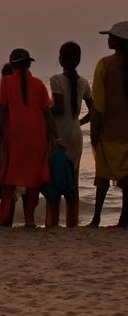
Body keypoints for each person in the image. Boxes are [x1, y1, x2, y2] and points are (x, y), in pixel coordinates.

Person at [0, 49, 60, 228]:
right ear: (29, 64)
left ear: (12, 65)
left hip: (14, 139)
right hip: (36, 139)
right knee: (33, 181)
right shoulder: (39, 84)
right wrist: (57, 136)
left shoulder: (6, 82)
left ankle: (3, 219)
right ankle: (29, 219)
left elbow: (1, 110)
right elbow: (48, 114)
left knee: (8, 180)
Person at [47, 42, 92, 227]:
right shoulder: (84, 82)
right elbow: (93, 111)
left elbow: (58, 108)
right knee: (72, 180)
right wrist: (78, 122)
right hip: (75, 135)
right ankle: (72, 222)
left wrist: (44, 111)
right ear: (79, 60)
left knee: (55, 178)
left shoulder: (56, 79)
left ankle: (53, 221)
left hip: (59, 135)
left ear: (60, 59)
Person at [89, 22, 128, 228]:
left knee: (102, 179)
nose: (108, 39)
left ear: (117, 42)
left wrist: (94, 132)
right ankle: (124, 219)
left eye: (111, 37)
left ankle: (96, 218)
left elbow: (99, 106)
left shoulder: (104, 65)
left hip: (109, 133)